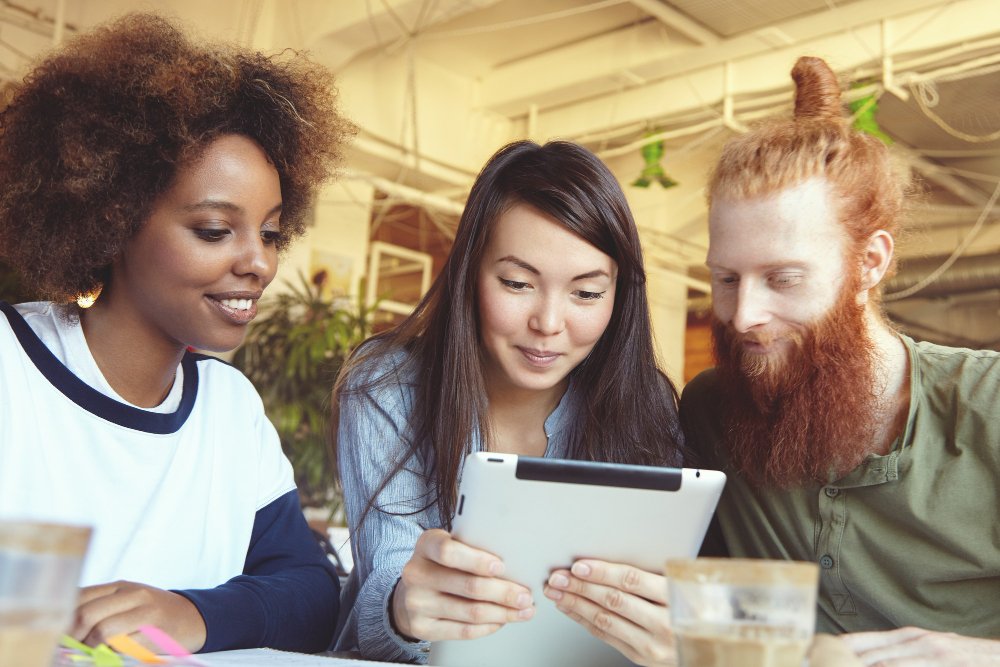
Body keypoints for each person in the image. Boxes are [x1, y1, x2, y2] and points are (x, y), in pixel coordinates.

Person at [0, 13, 353, 654]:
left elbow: (310, 591)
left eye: (270, 234)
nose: (261, 263)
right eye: (216, 230)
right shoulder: (10, 369)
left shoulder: (229, 408)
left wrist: (193, 614)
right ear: (113, 219)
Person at [681, 55, 1000, 665]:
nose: (743, 314)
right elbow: (734, 624)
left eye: (783, 278)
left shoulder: (988, 406)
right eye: (726, 278)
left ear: (870, 263)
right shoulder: (713, 410)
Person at [332, 140, 687, 664]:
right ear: (470, 275)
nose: (547, 323)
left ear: (620, 296)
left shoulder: (647, 404)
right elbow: (382, 585)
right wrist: (405, 607)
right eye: (517, 283)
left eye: (586, 294)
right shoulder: (386, 387)